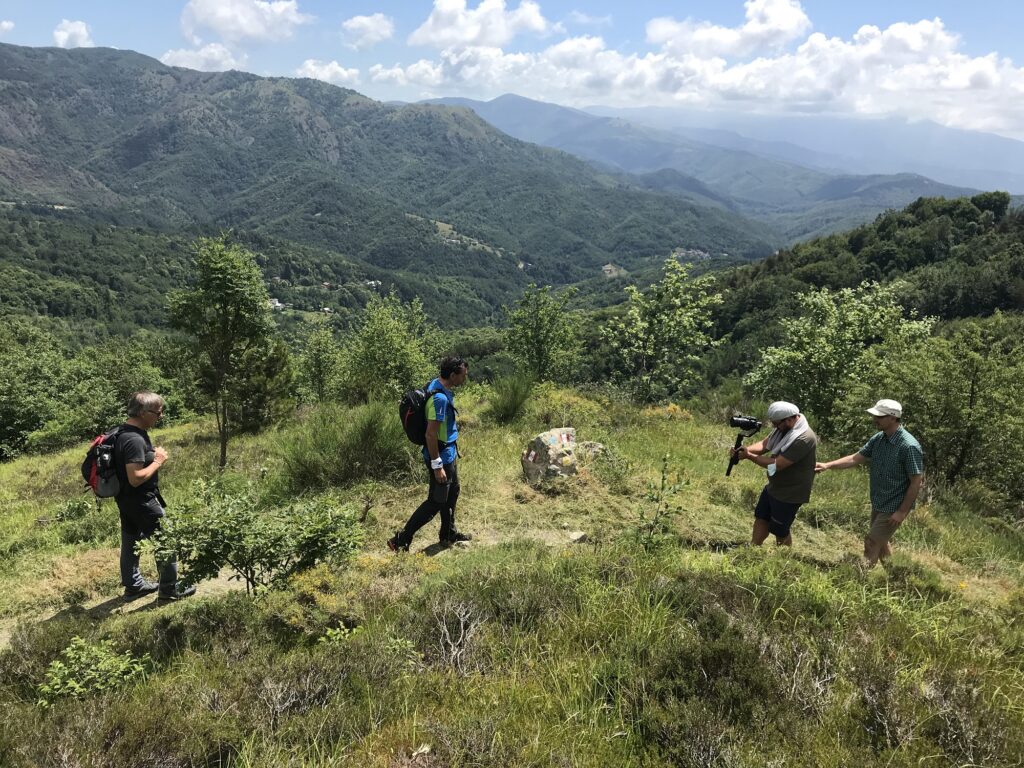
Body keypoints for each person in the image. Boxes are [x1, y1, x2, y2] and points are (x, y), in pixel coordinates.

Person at [815, 399, 924, 567]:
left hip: (894, 506)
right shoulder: (879, 439)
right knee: (881, 544)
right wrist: (827, 465)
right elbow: (855, 458)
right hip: (879, 501)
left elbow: (916, 481)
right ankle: (896, 576)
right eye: (874, 415)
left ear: (893, 418)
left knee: (872, 542)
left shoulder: (909, 446)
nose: (875, 419)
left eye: (879, 416)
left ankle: (861, 580)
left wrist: (901, 512)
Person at [115, 391, 196, 601]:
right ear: (142, 412)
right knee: (165, 540)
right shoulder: (133, 439)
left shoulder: (122, 432)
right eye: (158, 413)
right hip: (142, 500)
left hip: (125, 500)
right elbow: (135, 477)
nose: (160, 417)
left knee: (131, 541)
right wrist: (158, 460)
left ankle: (134, 586)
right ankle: (169, 589)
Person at [389, 356, 473, 552]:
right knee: (436, 501)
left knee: (452, 493)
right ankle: (400, 540)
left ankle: (448, 534)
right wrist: (437, 465)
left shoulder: (436, 384)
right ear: (452, 375)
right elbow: (430, 434)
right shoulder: (439, 399)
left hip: (448, 454)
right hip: (441, 457)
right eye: (463, 376)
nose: (465, 379)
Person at [731, 401, 818, 547]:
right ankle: (753, 548)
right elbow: (765, 444)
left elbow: (777, 465)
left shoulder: (804, 438)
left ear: (789, 419)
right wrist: (742, 450)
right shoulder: (784, 429)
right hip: (775, 486)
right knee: (761, 517)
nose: (775, 427)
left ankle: (782, 561)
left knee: (779, 529)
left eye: (777, 424)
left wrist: (749, 456)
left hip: (790, 492)